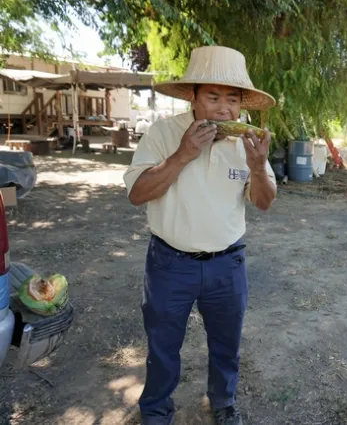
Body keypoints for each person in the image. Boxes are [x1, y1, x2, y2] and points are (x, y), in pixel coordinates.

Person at [123, 45, 278, 425]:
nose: (224, 110)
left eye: (233, 100)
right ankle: (156, 411)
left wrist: (258, 168)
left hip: (228, 265)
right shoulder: (163, 133)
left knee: (226, 346)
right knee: (163, 348)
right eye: (213, 97)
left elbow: (263, 202)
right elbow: (137, 194)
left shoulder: (249, 144)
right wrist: (182, 155)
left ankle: (223, 403)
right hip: (169, 264)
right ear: (192, 96)